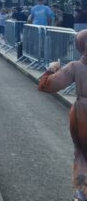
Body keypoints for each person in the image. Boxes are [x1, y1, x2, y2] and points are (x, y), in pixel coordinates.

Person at [38, 30, 87, 201]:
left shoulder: (76, 67)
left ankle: (83, 194)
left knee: (82, 154)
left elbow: (46, 86)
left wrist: (51, 69)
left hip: (83, 115)